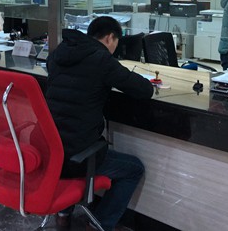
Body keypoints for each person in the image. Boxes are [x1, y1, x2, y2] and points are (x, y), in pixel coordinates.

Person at [46, 16, 154, 231]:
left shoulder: (59, 53)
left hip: (49, 150)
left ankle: (63, 214)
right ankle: (99, 225)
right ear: (110, 38)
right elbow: (144, 90)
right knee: (134, 169)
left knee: (69, 139)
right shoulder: (101, 59)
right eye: (116, 43)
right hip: (78, 156)